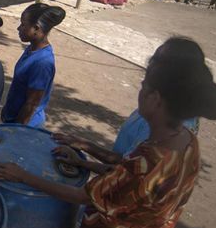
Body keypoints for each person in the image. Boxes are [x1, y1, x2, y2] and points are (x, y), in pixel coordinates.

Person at [0, 37, 216, 228]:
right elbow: (128, 179)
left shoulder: (150, 158)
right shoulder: (186, 142)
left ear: (155, 99)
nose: (139, 92)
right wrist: (83, 161)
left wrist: (22, 175)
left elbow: (85, 196)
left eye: (142, 87)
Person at [53, 38, 203, 159]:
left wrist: (84, 154)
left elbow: (126, 170)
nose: (149, 64)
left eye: (156, 62)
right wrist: (85, 147)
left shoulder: (162, 134)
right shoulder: (172, 109)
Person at [1, 3, 66, 128]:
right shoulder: (31, 49)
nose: (18, 28)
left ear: (36, 28)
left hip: (25, 126)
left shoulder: (42, 63)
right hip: (13, 119)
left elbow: (31, 104)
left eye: (23, 25)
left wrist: (15, 131)